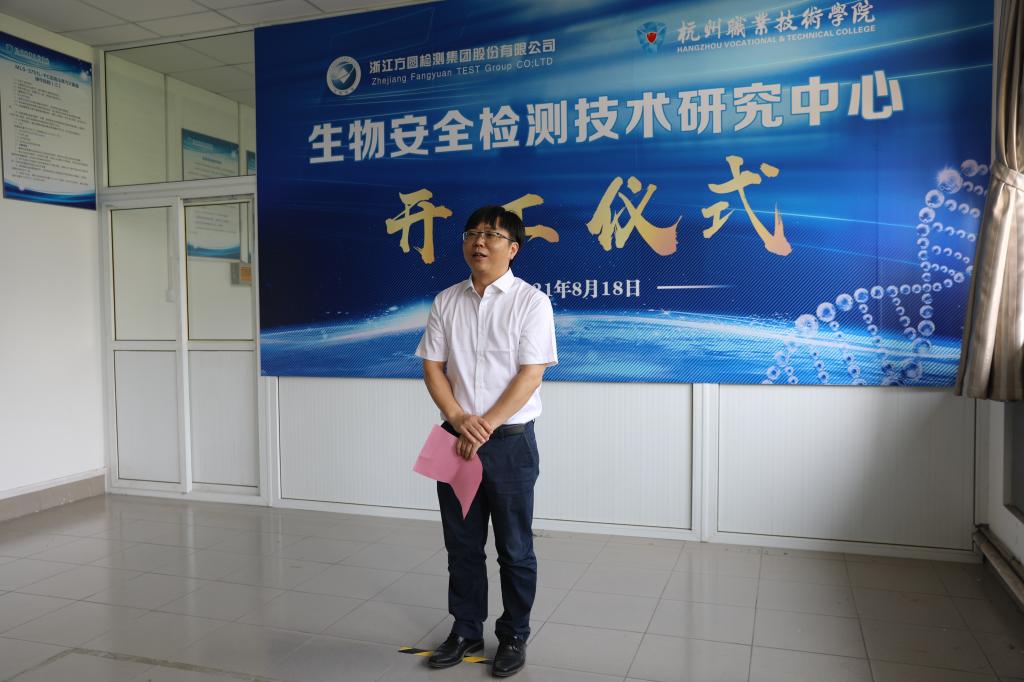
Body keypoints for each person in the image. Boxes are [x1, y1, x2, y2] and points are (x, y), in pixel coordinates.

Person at [415, 205, 557, 677]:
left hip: (510, 444)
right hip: (454, 439)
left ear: (513, 249)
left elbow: (530, 374)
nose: (479, 241)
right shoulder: (446, 301)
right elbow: (432, 366)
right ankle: (465, 630)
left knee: (514, 549)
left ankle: (513, 635)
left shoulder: (531, 302)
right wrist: (459, 418)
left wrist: (485, 425)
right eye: (472, 233)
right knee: (461, 546)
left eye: (492, 235)